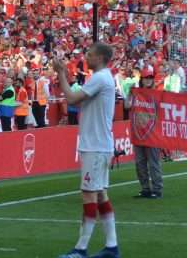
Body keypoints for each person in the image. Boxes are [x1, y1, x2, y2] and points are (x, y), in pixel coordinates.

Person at [52, 42, 121, 258]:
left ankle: (81, 249)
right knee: (100, 195)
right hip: (98, 144)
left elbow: (72, 100)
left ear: (99, 58)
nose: (86, 57)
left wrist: (61, 73)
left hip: (96, 145)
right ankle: (112, 247)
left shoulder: (100, 78)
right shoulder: (103, 77)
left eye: (90, 55)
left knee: (89, 196)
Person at [124, 69, 163, 199]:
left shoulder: (156, 94)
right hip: (138, 134)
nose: (148, 80)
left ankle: (157, 190)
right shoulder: (136, 94)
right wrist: (129, 94)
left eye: (150, 78)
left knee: (153, 164)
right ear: (141, 80)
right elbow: (126, 106)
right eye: (146, 78)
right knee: (140, 165)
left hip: (152, 134)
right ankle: (145, 189)